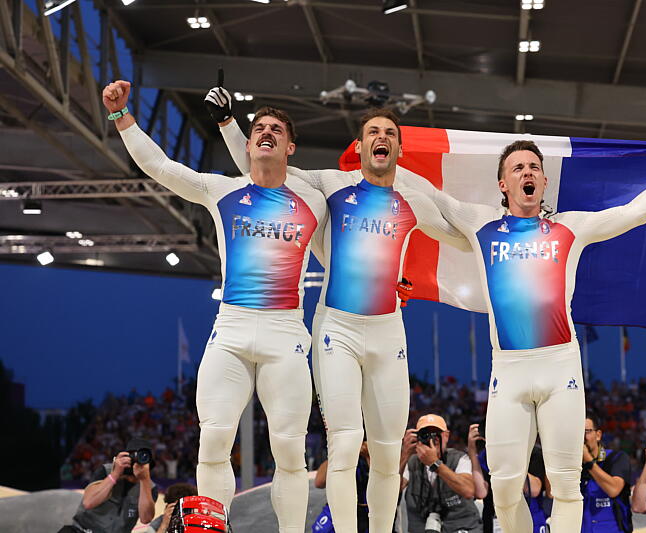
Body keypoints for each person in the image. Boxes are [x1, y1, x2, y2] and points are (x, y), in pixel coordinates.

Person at [400, 135, 646, 533]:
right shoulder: (481, 225)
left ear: (544, 182)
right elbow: (432, 196)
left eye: (534, 168)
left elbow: (634, 213)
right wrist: (387, 164)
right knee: (506, 486)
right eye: (518, 168)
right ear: (503, 185)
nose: (527, 172)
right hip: (508, 370)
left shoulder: (569, 227)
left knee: (565, 484)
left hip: (560, 367)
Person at [209, 86, 470, 533]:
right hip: (337, 331)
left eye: (388, 132)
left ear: (398, 148)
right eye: (372, 131)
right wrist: (229, 124)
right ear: (362, 145)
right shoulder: (331, 185)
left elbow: (466, 236)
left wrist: (519, 217)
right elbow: (265, 167)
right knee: (346, 445)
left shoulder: (413, 199)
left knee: (389, 455)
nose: (380, 137)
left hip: (389, 334)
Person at [102, 80, 328, 531]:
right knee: (214, 441)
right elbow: (160, 167)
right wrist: (119, 116)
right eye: (259, 127)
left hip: (286, 335)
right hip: (232, 330)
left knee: (289, 451)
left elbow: (352, 251)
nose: (266, 133)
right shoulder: (221, 191)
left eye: (276, 130)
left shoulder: (315, 202)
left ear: (290, 147)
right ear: (248, 144)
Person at [400, 414, 481, 533]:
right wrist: (404, 454)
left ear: (446, 436)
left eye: (437, 433)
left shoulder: (460, 459)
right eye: (426, 433)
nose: (433, 438)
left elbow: (468, 490)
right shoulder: (411, 462)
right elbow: (391, 493)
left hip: (461, 528)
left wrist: (435, 464)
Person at [61, 439, 158, 533]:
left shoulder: (150, 487)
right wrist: (115, 474)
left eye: (143, 458)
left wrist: (144, 480)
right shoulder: (106, 471)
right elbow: (88, 502)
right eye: (133, 456)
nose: (137, 461)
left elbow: (146, 518)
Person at [468, 423, 548, 533]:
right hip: (496, 521)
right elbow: (481, 492)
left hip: (531, 518)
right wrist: (472, 451)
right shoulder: (484, 456)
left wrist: (507, 455)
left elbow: (534, 490)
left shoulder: (533, 453)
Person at [580, 411, 632, 533]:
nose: (582, 437)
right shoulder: (572, 466)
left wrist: (588, 462)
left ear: (598, 435)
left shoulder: (616, 458)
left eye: (586, 431)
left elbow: (614, 489)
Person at [313, 441, 372, 533]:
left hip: (366, 513)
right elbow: (319, 482)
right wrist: (339, 451)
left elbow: (388, 491)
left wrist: (368, 456)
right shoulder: (342, 446)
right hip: (337, 509)